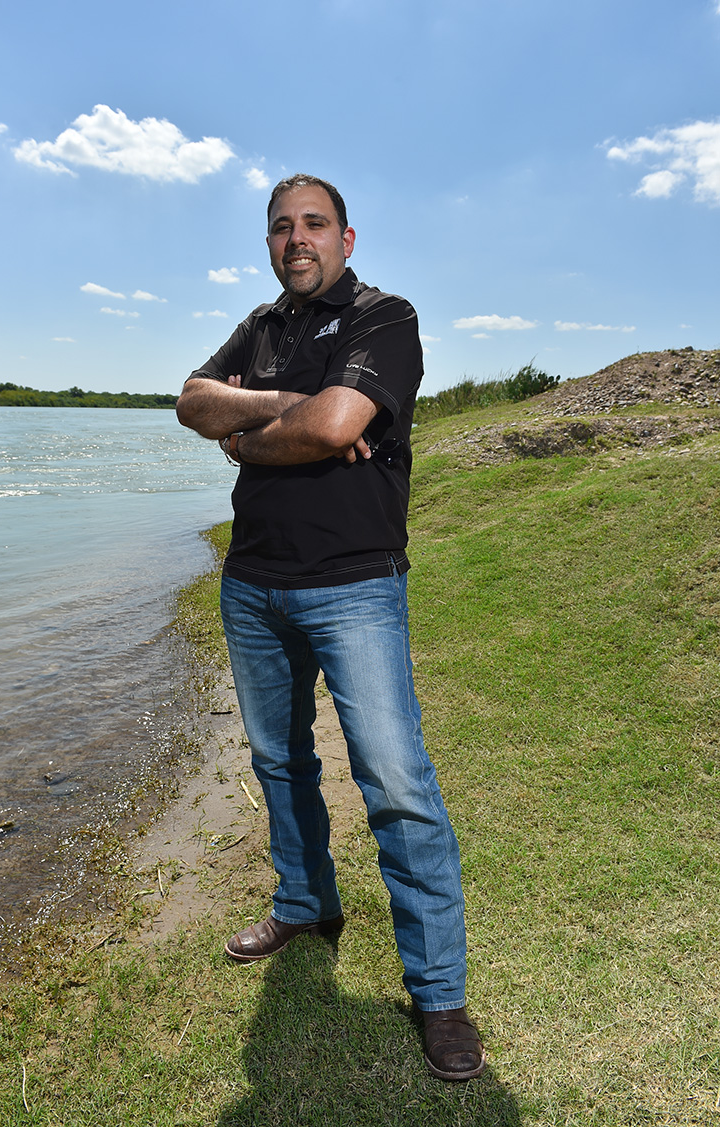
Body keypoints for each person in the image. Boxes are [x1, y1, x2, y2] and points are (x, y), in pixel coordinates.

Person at [176, 174, 486, 1082]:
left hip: (354, 585)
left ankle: (439, 993)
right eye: (281, 228)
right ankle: (307, 901)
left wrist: (252, 430)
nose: (296, 239)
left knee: (394, 780)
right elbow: (193, 401)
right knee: (280, 761)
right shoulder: (264, 325)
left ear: (347, 238)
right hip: (252, 585)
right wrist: (281, 410)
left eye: (313, 224)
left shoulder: (384, 317)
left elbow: (343, 421)